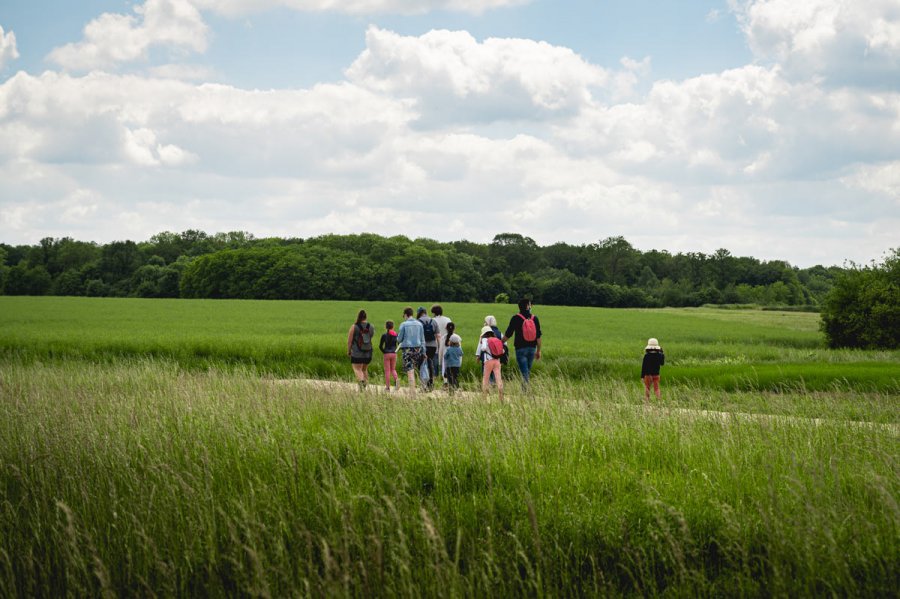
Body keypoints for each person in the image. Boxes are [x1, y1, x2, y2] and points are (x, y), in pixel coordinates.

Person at [501, 299, 542, 390]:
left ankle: (525, 391)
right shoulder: (535, 318)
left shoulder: (515, 318)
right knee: (527, 370)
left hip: (520, 349)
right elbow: (538, 337)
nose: (531, 307)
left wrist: (501, 342)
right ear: (527, 306)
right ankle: (525, 390)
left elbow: (509, 333)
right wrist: (538, 351)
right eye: (530, 305)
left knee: (524, 371)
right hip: (532, 348)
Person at [397, 306, 426, 395]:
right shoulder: (419, 324)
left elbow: (399, 339)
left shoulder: (404, 324)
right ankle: (417, 388)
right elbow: (422, 339)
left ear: (406, 315)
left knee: (410, 370)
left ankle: (412, 391)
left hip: (407, 349)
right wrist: (424, 351)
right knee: (416, 369)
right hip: (418, 349)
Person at [347, 309, 375, 390]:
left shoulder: (354, 327)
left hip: (357, 353)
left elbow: (349, 341)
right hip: (368, 353)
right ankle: (365, 386)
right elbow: (371, 337)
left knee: (357, 369)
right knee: (364, 369)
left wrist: (349, 351)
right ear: (366, 317)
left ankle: (362, 385)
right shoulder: (371, 326)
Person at [417, 306, 441, 391]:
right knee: (430, 363)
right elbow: (438, 336)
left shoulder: (418, 322)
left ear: (419, 313)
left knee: (421, 364)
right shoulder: (433, 321)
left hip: (422, 346)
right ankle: (431, 384)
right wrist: (438, 347)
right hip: (432, 346)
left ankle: (423, 385)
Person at [477, 326, 504, 400]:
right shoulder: (496, 339)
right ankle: (501, 396)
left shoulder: (485, 339)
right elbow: (503, 350)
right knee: (498, 378)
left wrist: (481, 341)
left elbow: (483, 348)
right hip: (497, 361)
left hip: (488, 361)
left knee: (485, 379)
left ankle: (484, 397)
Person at [431, 304, 452, 382]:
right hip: (446, 343)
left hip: (436, 344)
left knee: (435, 362)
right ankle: (445, 379)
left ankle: (435, 378)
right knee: (445, 362)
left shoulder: (432, 320)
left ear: (434, 312)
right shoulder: (447, 319)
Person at [379, 320, 400, 391]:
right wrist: (396, 350)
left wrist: (384, 352)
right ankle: (397, 382)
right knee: (393, 369)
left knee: (387, 371)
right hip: (394, 353)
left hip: (387, 354)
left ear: (386, 327)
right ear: (393, 326)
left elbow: (380, 346)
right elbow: (399, 344)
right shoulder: (396, 334)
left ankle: (387, 387)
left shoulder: (384, 335)